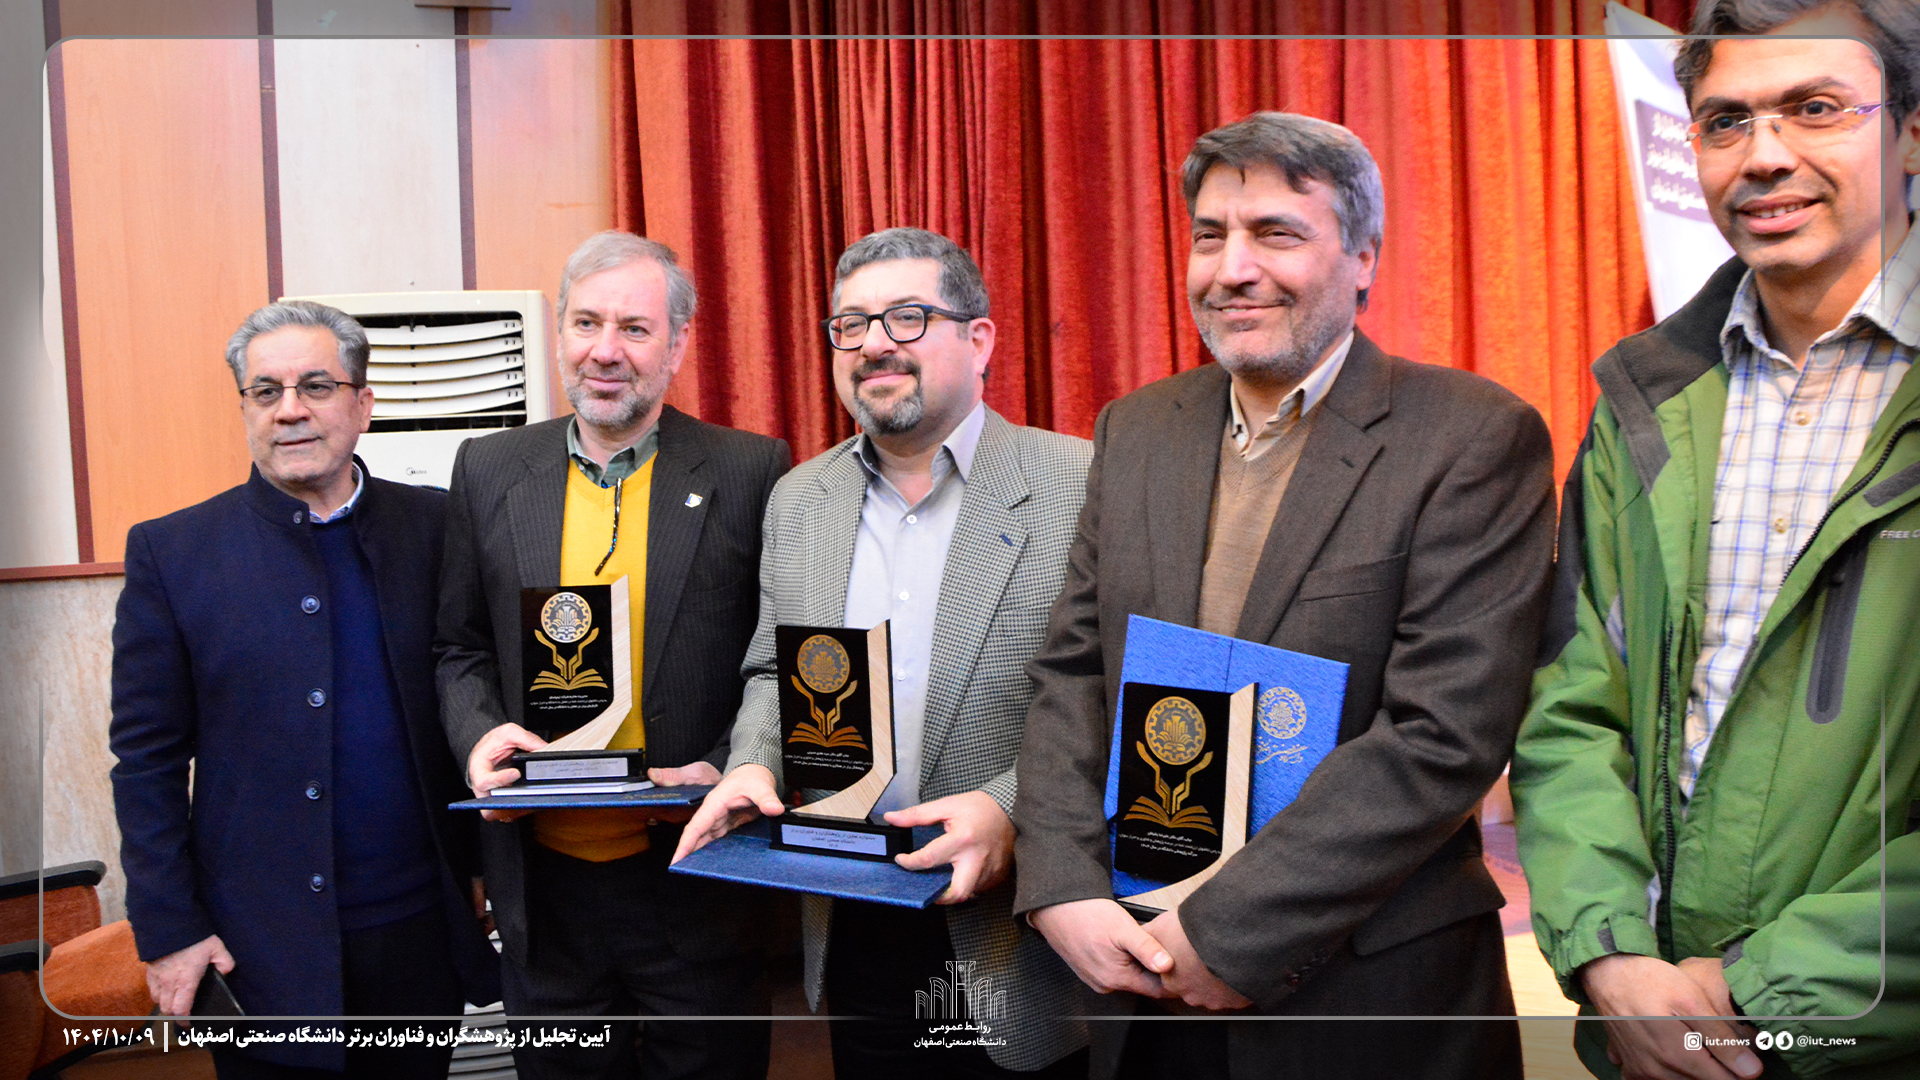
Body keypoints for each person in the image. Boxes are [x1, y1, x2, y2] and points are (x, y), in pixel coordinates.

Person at [1010, 112, 1558, 1078]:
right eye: (1209, 235)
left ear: (1363, 257)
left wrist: (1225, 930)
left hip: (1363, 999)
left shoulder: (1472, 437)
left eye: (1276, 233)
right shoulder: (1136, 429)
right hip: (1138, 976)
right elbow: (1074, 674)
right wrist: (1060, 884)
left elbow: (1442, 736)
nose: (1232, 269)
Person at [1513, 2, 1920, 1078]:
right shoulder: (1645, 397)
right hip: (1650, 1028)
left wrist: (1755, 990)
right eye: (1726, 120)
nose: (1764, 155)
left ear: (1910, 134)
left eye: (1816, 109)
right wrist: (1611, 956)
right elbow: (1570, 710)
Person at [673, 227, 1092, 1078]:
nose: (874, 345)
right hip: (852, 903)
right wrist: (752, 762)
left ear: (980, 339)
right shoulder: (800, 499)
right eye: (852, 324)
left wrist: (1010, 809)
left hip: (1018, 923)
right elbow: (774, 670)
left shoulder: (1079, 481)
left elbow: (1112, 692)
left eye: (907, 317)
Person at [109, 300, 500, 1078]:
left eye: (316, 386)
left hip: (418, 934)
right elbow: (146, 762)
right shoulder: (172, 553)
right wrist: (169, 928)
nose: (289, 410)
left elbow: (479, 694)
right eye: (266, 391)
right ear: (245, 409)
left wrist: (492, 863)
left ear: (363, 404)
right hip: (259, 950)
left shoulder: (440, 526)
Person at [436, 231, 789, 1080]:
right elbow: (459, 646)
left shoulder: (751, 469)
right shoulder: (488, 468)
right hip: (543, 886)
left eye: (635, 328)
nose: (605, 350)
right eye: (587, 322)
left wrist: (725, 765)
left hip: (698, 874)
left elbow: (776, 653)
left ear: (678, 343)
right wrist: (478, 740)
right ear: (559, 331)